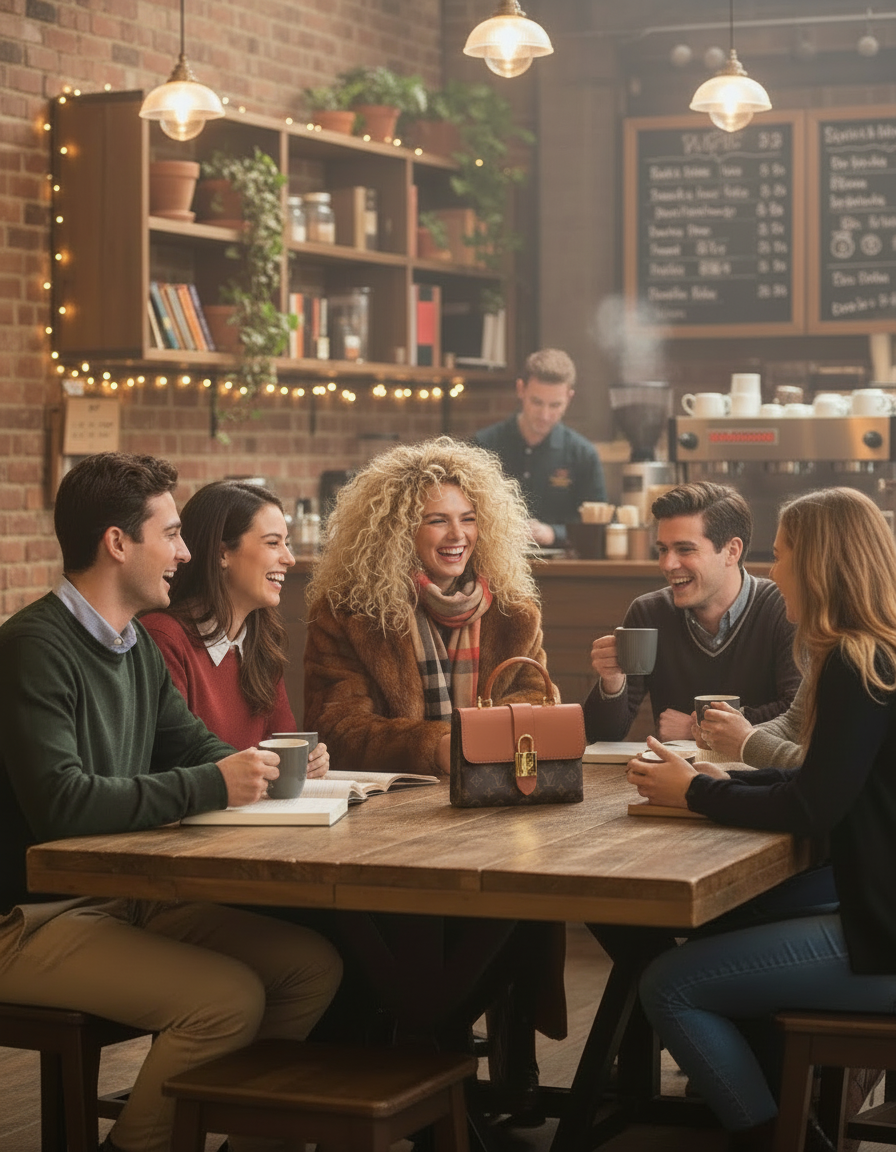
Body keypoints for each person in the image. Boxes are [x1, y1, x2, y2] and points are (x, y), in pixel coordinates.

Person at [0, 453, 341, 1152]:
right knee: (226, 1001)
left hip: (123, 899)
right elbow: (61, 803)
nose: (185, 555)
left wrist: (272, 769)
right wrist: (217, 782)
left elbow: (196, 747)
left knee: (311, 967)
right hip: (29, 921)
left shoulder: (133, 648)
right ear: (117, 543)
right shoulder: (33, 646)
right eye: (173, 534)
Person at [303, 435, 566, 1119]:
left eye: (469, 519)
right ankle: (424, 1055)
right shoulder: (348, 610)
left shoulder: (514, 609)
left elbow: (534, 711)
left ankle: (469, 1058)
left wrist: (488, 745)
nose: (457, 536)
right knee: (428, 942)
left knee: (525, 903)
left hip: (493, 816)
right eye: (436, 520)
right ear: (397, 529)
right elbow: (339, 728)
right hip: (387, 833)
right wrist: (445, 746)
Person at [626, 487, 896, 1150]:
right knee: (727, 919)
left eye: (785, 554)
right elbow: (820, 781)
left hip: (883, 935)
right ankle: (790, 1110)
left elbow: (812, 807)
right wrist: (721, 782)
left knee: (668, 985)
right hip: (874, 901)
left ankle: (782, 1141)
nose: (775, 571)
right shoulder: (873, 652)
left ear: (820, 565)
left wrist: (696, 792)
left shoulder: (856, 663)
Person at [585, 480, 801, 742]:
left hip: (759, 768)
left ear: (732, 551)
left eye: (685, 549)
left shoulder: (784, 608)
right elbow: (600, 736)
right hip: (674, 769)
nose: (667, 564)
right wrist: (612, 682)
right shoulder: (649, 613)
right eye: (663, 550)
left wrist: (698, 727)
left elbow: (798, 716)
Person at [142, 479, 328, 775]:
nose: (289, 559)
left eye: (287, 543)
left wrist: (307, 761)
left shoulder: (261, 644)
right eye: (273, 543)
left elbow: (282, 748)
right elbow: (171, 764)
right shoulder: (162, 637)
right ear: (222, 554)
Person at [474, 347, 606, 548]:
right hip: (493, 559)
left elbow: (598, 525)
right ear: (521, 389)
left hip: (564, 564)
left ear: (569, 398)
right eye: (537, 402)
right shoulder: (484, 445)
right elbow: (465, 515)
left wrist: (554, 533)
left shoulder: (583, 455)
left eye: (555, 405)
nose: (545, 415)